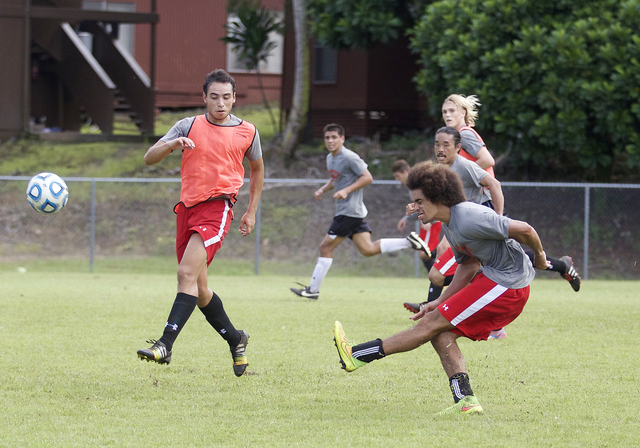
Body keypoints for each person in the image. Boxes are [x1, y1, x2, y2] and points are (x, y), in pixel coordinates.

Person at [333, 160, 550, 415]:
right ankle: (466, 401)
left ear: (438, 198)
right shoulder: (451, 225)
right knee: (441, 334)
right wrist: (440, 299)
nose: (414, 208)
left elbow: (525, 229)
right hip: (494, 280)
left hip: (507, 285)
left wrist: (541, 256)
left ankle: (357, 355)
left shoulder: (470, 216)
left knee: (429, 324)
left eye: (420, 202)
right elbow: (468, 265)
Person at [136, 69, 264, 377]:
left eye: (227, 97)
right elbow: (149, 157)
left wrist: (251, 211)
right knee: (199, 289)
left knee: (185, 273)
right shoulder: (187, 125)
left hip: (218, 208)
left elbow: (257, 170)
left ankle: (165, 344)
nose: (221, 104)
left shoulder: (248, 131)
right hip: (187, 210)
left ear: (234, 98)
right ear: (204, 97)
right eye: (215, 97)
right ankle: (236, 339)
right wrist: (171, 145)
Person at [403, 128, 581, 324]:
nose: (440, 148)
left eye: (446, 144)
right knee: (503, 260)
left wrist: (498, 216)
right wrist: (419, 205)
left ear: (458, 147)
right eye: (437, 144)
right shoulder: (442, 170)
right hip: (461, 227)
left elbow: (493, 183)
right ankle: (561, 265)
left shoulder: (463, 165)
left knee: (439, 273)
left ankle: (435, 311)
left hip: (474, 225)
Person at [290, 124, 430, 300]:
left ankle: (313, 291)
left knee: (325, 247)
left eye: (334, 137)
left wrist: (347, 191)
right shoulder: (330, 158)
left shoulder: (349, 157)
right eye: (327, 138)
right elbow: (336, 179)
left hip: (348, 212)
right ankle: (408, 242)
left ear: (342, 139)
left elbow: (367, 177)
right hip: (352, 213)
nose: (331, 141)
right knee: (368, 249)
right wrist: (322, 190)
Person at [392, 159, 441, 272]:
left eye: (398, 176)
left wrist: (427, 218)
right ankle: (438, 279)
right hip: (427, 221)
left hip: (432, 222)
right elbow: (419, 206)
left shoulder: (417, 184)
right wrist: (406, 218)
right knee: (423, 253)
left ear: (405, 172)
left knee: (425, 253)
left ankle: (449, 256)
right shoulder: (412, 187)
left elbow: (429, 200)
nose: (397, 179)